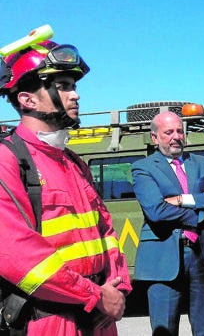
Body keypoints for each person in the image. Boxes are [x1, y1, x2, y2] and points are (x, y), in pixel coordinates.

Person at [0, 40, 131, 335]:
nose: (76, 94)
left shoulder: (73, 161)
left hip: (98, 319)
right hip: (48, 320)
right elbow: (17, 256)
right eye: (63, 85)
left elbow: (105, 232)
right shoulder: (7, 160)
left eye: (73, 85)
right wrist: (95, 295)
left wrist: (118, 286)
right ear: (27, 100)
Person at [131, 111, 204, 336]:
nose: (176, 136)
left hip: (201, 255)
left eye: (179, 131)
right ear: (155, 138)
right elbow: (156, 210)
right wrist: (200, 213)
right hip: (164, 256)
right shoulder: (143, 168)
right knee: (165, 329)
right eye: (168, 132)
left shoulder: (202, 162)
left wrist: (182, 200)